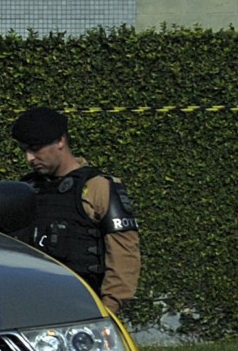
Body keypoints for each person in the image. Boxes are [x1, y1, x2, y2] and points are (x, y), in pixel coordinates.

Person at [9, 106, 140, 314]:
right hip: (30, 305)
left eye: (35, 149)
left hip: (83, 307)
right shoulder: (25, 189)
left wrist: (108, 309)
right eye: (24, 150)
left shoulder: (98, 187)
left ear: (60, 141)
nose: (29, 158)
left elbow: (124, 254)